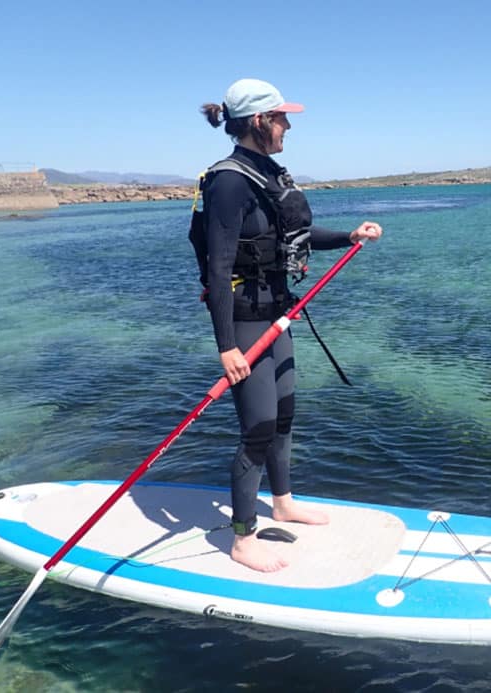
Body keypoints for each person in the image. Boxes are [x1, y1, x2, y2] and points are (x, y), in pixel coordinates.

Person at [195, 78, 382, 573]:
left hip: (278, 316)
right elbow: (217, 269)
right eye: (282, 117)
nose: (288, 125)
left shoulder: (268, 173)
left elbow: (291, 237)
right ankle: (242, 538)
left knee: (283, 417)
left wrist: (348, 235)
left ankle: (282, 501)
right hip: (245, 325)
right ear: (259, 121)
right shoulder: (229, 181)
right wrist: (226, 347)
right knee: (256, 430)